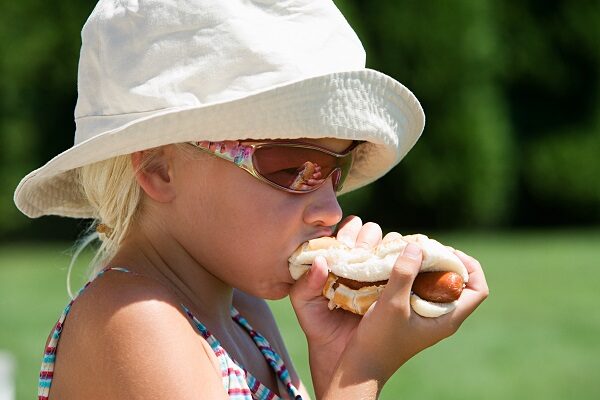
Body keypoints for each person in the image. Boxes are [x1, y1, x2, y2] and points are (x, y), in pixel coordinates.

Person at [14, 1, 489, 399]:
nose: (332, 210)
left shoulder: (244, 313)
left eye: (337, 171)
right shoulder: (134, 320)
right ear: (159, 168)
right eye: (292, 168)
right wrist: (361, 371)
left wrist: (334, 355)